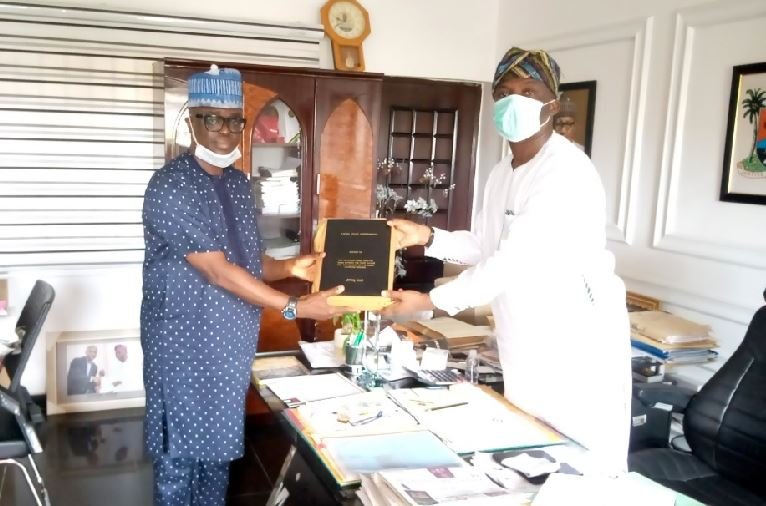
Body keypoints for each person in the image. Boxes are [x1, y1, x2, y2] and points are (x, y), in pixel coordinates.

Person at [382, 47, 631, 474]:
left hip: (575, 346)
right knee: (529, 458)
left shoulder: (566, 171)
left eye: (529, 91)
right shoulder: (502, 172)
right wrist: (425, 236)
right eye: (505, 92)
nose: (515, 101)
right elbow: (486, 245)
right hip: (524, 339)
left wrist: (426, 303)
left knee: (580, 471)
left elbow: (513, 262)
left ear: (552, 104)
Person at [141, 64, 347, 506]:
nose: (225, 131)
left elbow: (249, 262)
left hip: (228, 343)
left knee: (217, 453)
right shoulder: (169, 186)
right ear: (192, 119)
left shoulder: (237, 183)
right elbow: (216, 270)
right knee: (180, 457)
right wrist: (295, 307)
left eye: (234, 120)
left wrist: (298, 267)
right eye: (212, 118)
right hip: (183, 343)